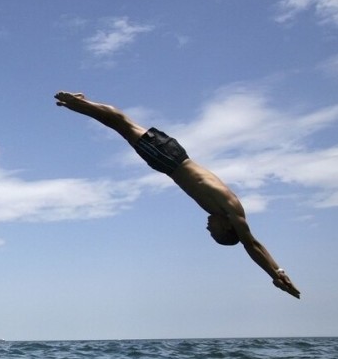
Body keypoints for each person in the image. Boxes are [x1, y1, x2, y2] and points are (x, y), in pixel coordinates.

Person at [54, 91, 301, 299]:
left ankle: (78, 103)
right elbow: (252, 245)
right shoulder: (232, 212)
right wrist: (277, 274)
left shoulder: (224, 211)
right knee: (121, 122)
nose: (208, 228)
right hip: (170, 159)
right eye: (213, 232)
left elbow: (251, 244)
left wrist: (277, 273)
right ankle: (78, 102)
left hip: (170, 159)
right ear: (227, 228)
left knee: (120, 125)